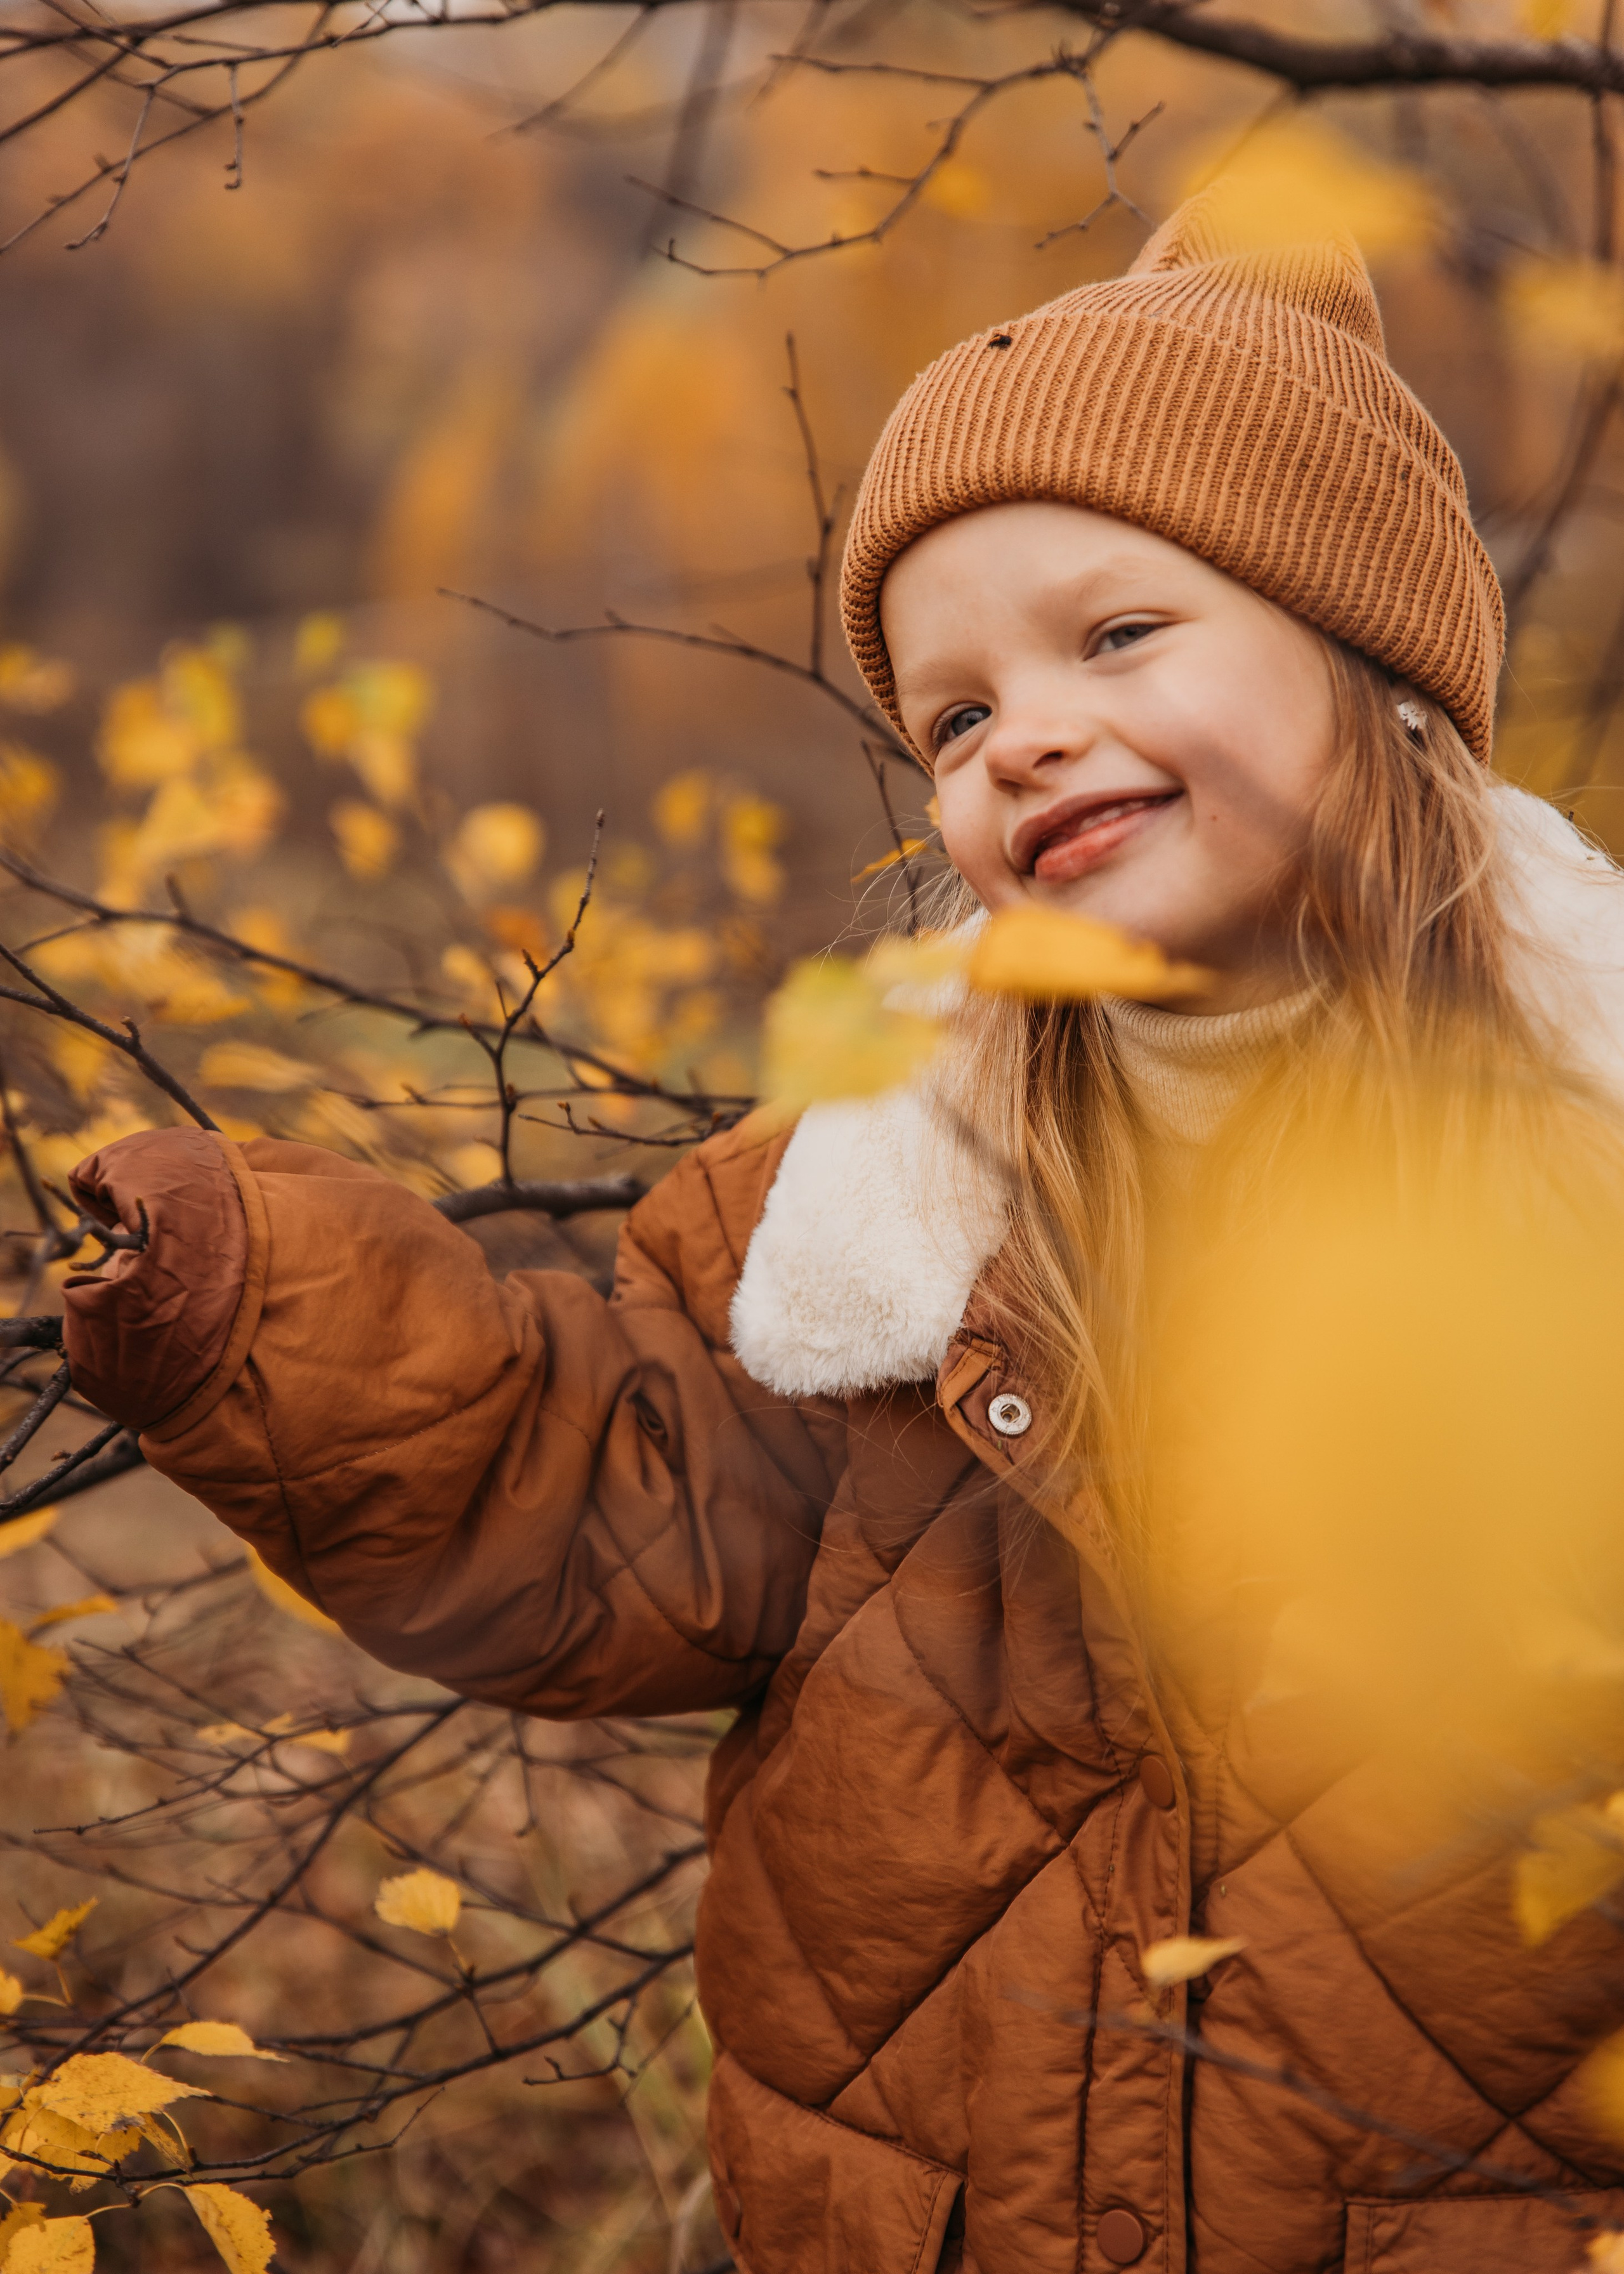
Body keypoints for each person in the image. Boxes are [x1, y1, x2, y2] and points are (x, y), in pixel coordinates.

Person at [62, 193, 1624, 2272]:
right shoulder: (872, 1206)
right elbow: (587, 1488)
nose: (1023, 738)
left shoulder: (1578, 1165)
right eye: (955, 718)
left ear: (1377, 653)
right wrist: (256, 1301)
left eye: (1119, 636)